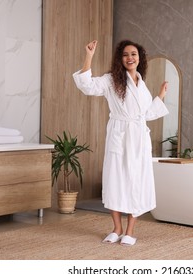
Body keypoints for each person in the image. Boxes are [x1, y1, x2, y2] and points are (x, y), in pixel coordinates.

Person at [72, 40, 169, 246]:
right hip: (119, 134)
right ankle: (116, 228)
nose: (130, 58)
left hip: (139, 139)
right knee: (114, 179)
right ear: (120, 59)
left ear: (139, 58)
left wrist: (160, 96)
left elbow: (146, 115)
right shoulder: (111, 80)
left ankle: (130, 231)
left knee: (137, 181)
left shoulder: (142, 85)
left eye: (134, 54)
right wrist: (89, 56)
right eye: (125, 55)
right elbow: (87, 86)